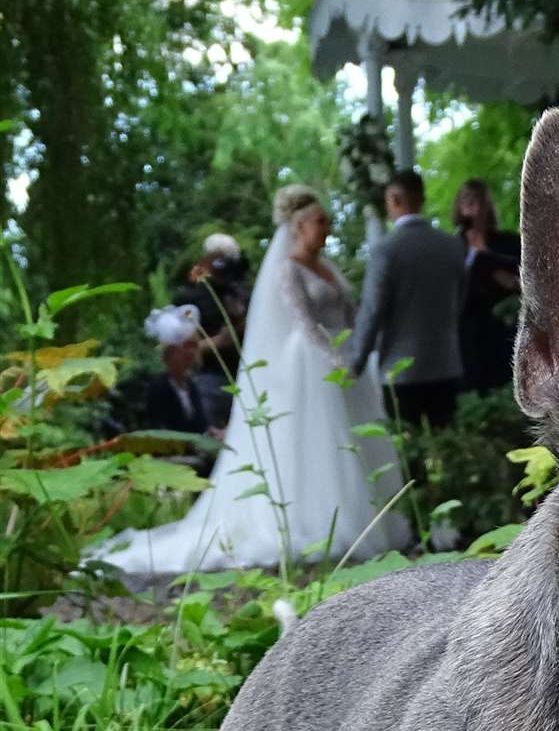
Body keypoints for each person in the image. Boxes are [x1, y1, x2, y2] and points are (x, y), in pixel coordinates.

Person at [90, 186, 410, 576]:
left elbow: (353, 312)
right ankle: (320, 522)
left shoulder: (331, 270)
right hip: (313, 365)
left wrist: (356, 355)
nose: (327, 228)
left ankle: (367, 519)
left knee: (355, 443)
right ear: (299, 226)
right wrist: (335, 361)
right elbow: (304, 323)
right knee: (319, 445)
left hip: (344, 360)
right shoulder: (288, 270)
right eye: (320, 221)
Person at [347, 170, 466, 429]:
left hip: (400, 369)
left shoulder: (386, 250)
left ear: (395, 199)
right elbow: (460, 301)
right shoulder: (452, 246)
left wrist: (355, 362)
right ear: (422, 198)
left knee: (408, 453)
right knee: (448, 445)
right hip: (446, 363)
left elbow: (372, 309)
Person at [173, 233, 251, 430]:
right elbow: (179, 350)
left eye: (227, 257)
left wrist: (241, 321)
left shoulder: (242, 295)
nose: (221, 264)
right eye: (217, 257)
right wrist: (218, 342)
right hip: (207, 378)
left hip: (246, 377)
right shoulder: (190, 298)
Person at [453, 179, 521, 393]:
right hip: (466, 329)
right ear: (459, 207)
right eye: (467, 201)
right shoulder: (452, 246)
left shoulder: (509, 242)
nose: (473, 208)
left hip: (503, 327)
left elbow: (532, 278)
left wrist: (512, 282)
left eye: (478, 201)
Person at [142, 304, 211, 436]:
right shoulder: (158, 388)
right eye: (187, 346)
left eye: (194, 346)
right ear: (171, 352)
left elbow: (200, 426)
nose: (191, 353)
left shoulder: (190, 386)